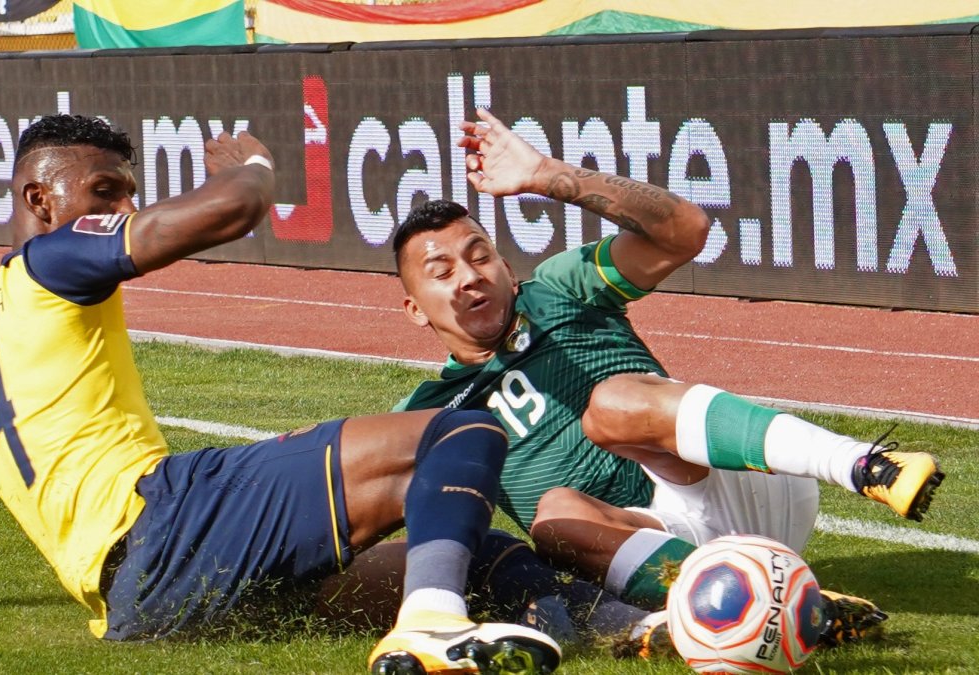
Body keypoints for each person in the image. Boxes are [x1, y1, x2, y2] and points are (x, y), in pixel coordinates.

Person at [0, 114, 566, 675]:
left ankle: (622, 625)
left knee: (473, 550)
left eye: (127, 195)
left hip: (143, 605)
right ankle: (432, 626)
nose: (120, 210)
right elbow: (233, 209)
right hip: (166, 522)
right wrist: (254, 163)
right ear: (40, 199)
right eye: (104, 192)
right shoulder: (50, 259)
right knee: (457, 432)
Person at [392, 108, 944, 652]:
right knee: (554, 518)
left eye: (480, 257)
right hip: (653, 545)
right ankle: (768, 603)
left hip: (730, 480)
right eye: (443, 272)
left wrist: (546, 175)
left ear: (508, 269)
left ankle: (865, 464)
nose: (469, 277)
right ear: (415, 310)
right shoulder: (430, 414)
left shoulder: (559, 289)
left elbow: (685, 231)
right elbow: (371, 511)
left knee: (609, 405)